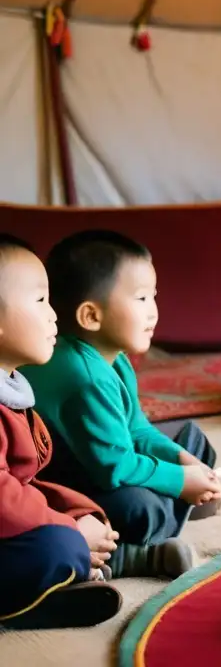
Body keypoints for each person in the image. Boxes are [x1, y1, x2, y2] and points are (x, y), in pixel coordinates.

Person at [21, 230, 219, 578]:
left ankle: (182, 502)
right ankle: (129, 553)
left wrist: (181, 461)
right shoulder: (86, 376)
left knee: (193, 441)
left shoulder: (113, 359)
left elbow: (137, 428)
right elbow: (113, 467)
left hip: (103, 461)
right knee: (139, 509)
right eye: (141, 298)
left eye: (154, 296)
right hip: (72, 480)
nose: (154, 311)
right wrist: (179, 480)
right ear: (91, 316)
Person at [0, 234, 122, 629]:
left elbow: (27, 480)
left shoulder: (11, 386)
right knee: (59, 545)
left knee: (84, 509)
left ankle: (100, 559)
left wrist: (76, 511)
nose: (54, 315)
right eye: (40, 301)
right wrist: (66, 527)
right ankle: (41, 602)